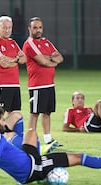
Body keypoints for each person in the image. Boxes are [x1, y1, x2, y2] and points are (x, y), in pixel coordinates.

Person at [22, 16, 63, 148]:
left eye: (40, 27)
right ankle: (30, 141)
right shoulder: (29, 44)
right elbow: (44, 62)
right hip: (37, 85)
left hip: (49, 83)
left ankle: (48, 139)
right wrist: (51, 60)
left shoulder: (46, 42)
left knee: (47, 112)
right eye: (35, 27)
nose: (38, 30)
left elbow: (60, 57)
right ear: (29, 29)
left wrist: (50, 59)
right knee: (35, 113)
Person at [0, 15, 26, 114]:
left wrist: (12, 60)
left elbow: (24, 59)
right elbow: (3, 64)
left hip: (15, 84)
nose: (7, 30)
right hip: (2, 84)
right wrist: (17, 60)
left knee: (14, 114)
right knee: (0, 114)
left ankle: (9, 130)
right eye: (4, 27)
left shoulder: (12, 42)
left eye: (9, 27)